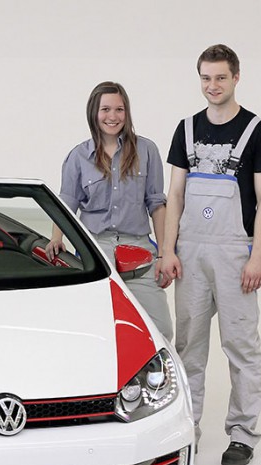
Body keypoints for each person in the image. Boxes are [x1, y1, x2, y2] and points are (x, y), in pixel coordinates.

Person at [159, 44, 261, 465]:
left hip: (234, 253)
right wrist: (168, 250)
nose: (213, 86)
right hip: (190, 251)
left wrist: (257, 256)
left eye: (221, 77)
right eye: (206, 78)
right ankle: (185, 428)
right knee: (188, 346)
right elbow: (175, 195)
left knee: (240, 345)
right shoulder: (186, 128)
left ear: (236, 78)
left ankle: (242, 434)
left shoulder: (257, 130)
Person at [49, 81, 173, 340]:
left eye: (119, 109)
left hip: (138, 249)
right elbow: (67, 203)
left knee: (160, 330)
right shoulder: (78, 157)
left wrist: (163, 253)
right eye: (105, 109)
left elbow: (156, 204)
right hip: (96, 249)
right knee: (99, 329)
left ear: (127, 113)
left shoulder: (146, 151)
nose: (112, 116)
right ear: (94, 112)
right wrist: (56, 238)